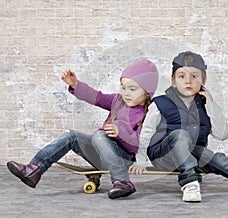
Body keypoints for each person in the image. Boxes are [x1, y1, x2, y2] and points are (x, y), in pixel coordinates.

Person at [129, 51, 228, 202]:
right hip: (164, 157)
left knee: (220, 159)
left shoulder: (205, 105)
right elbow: (146, 133)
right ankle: (189, 183)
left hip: (193, 156)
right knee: (180, 134)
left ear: (203, 80)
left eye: (194, 76)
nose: (188, 81)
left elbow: (222, 135)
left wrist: (211, 104)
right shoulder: (160, 103)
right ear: (173, 80)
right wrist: (141, 160)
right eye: (182, 76)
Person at [7, 59, 159, 199]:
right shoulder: (117, 100)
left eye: (132, 89)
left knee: (100, 135)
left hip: (123, 159)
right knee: (71, 136)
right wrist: (75, 84)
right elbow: (96, 96)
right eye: (124, 87)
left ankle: (122, 181)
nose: (126, 93)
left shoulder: (148, 112)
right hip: (100, 154)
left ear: (147, 92)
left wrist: (121, 134)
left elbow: (138, 145)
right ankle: (34, 169)